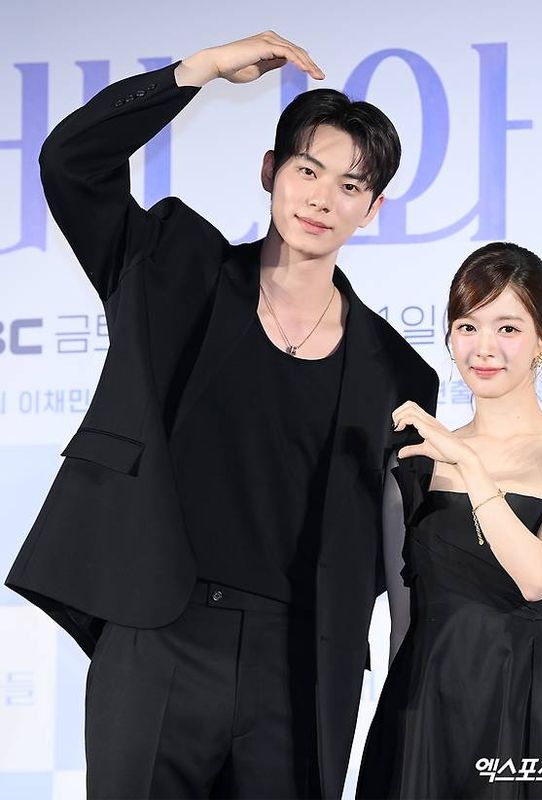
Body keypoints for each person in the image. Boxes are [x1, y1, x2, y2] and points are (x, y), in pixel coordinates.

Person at [5, 31, 438, 800]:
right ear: (270, 171)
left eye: (349, 185)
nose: (322, 199)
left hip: (300, 666)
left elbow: (393, 557)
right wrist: (196, 71)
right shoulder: (174, 269)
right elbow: (69, 164)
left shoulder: (399, 376)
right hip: (159, 631)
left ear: (372, 209)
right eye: (307, 170)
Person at [356, 242, 542, 799]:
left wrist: (472, 467)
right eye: (467, 327)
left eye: (508, 328)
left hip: (519, 708)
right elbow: (403, 625)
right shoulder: (415, 463)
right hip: (422, 711)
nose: (484, 348)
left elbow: (536, 577)